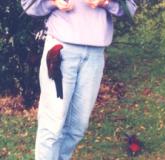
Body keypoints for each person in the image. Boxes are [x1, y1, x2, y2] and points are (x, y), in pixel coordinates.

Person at [20, 0, 137, 159]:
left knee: (76, 128)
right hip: (59, 51)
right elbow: (29, 4)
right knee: (52, 127)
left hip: (94, 56)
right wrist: (53, 3)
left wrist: (106, 3)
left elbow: (130, 9)